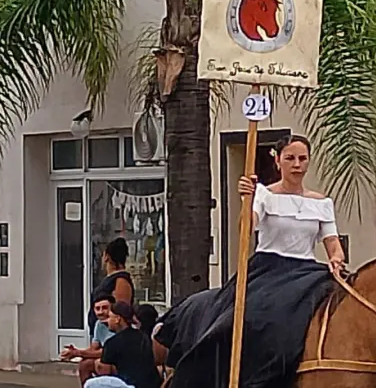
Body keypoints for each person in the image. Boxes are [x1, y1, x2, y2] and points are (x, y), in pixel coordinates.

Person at [165, 134, 346, 388]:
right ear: (278, 161)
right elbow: (246, 229)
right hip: (269, 268)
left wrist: (337, 259)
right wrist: (247, 202)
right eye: (290, 158)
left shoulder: (322, 203)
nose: (297, 164)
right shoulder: (263, 194)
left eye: (302, 159)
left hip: (307, 271)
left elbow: (333, 244)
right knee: (249, 316)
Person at [86, 302, 162, 388]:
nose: (107, 321)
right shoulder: (143, 336)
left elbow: (104, 372)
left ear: (118, 319)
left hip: (130, 385)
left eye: (109, 317)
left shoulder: (112, 343)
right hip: (153, 385)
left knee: (90, 384)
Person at [61, 294, 117, 386]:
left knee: (101, 364)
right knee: (84, 364)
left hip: (121, 362)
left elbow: (108, 352)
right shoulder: (99, 324)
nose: (100, 312)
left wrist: (78, 353)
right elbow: (93, 348)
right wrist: (74, 352)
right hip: (107, 358)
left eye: (105, 308)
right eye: (97, 309)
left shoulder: (119, 325)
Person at [89, 239, 135, 336]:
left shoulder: (121, 280)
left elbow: (122, 310)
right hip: (99, 332)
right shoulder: (110, 279)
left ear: (107, 257)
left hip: (109, 334)